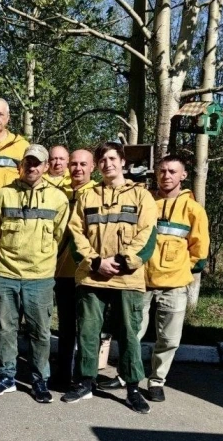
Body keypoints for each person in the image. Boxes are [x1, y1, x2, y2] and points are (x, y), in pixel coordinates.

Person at [98, 155, 209, 403]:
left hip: (174, 285)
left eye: (172, 171)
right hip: (140, 281)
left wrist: (180, 269)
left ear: (183, 176)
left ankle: (157, 381)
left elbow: (199, 251)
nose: (166, 176)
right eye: (162, 171)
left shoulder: (193, 209)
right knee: (131, 333)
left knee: (168, 338)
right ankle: (127, 376)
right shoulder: (144, 200)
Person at [61, 142, 157, 414]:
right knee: (88, 332)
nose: (107, 164)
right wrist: (95, 262)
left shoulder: (142, 196)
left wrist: (122, 261)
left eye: (112, 158)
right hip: (93, 277)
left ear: (123, 162)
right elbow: (76, 234)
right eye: (102, 159)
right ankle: (85, 382)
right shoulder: (87, 196)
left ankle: (132, 388)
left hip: (128, 278)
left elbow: (147, 235)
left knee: (128, 334)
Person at [0, 144, 70, 403]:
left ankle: (39, 379)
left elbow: (61, 236)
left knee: (40, 332)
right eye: (28, 162)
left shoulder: (58, 198)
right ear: (21, 165)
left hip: (40, 276)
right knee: (4, 329)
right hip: (6, 272)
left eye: (37, 163)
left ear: (46, 167)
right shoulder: (4, 195)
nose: (32, 167)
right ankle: (6, 376)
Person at [53, 149, 98, 391]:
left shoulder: (98, 194)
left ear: (93, 167)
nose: (77, 168)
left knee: (88, 327)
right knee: (66, 327)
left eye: (83, 164)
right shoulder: (59, 193)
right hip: (61, 270)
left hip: (89, 271)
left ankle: (85, 376)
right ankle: (63, 373)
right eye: (74, 164)